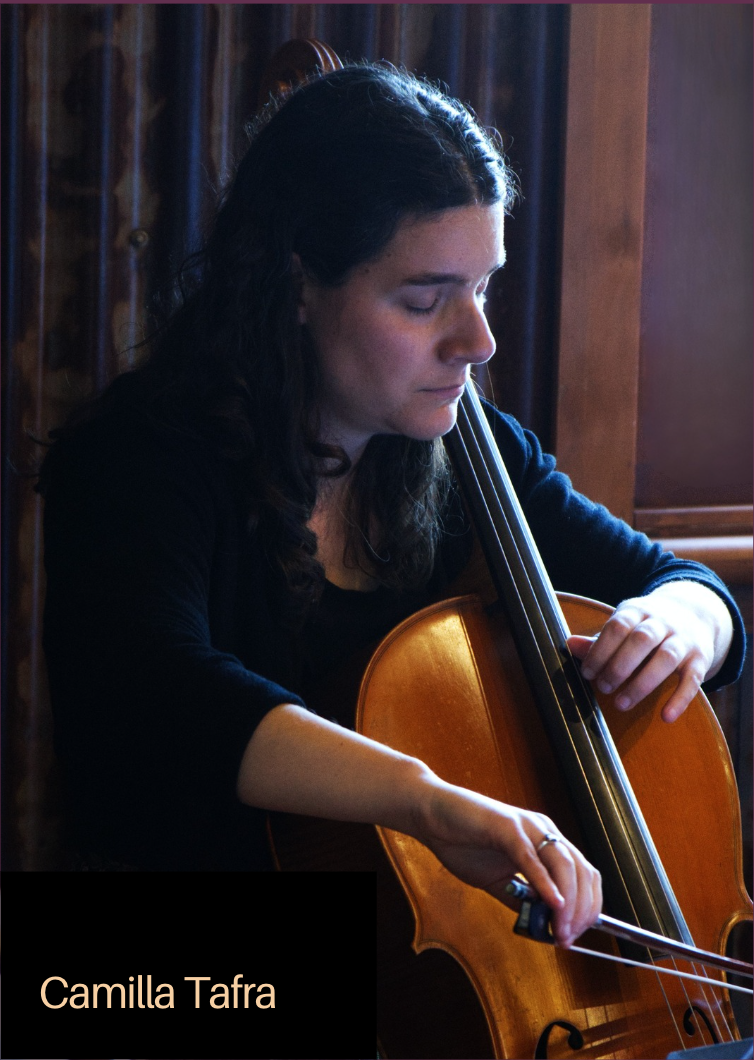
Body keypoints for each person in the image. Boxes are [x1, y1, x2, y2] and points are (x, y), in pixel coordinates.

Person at [39, 64, 743, 951]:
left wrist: (679, 623)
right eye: (424, 300)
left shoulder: (469, 451)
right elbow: (163, 692)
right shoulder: (138, 461)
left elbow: (687, 586)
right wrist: (425, 799)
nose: (478, 340)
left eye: (482, 287)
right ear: (297, 285)